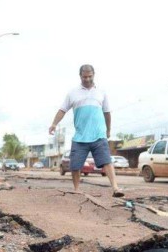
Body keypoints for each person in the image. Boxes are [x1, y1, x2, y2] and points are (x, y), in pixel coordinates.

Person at [49, 64, 124, 197]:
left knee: (106, 161)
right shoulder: (72, 93)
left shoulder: (101, 91)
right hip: (80, 137)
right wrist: (54, 124)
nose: (87, 79)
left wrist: (108, 130)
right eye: (85, 77)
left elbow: (107, 112)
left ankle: (116, 188)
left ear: (93, 75)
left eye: (90, 76)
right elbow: (62, 110)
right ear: (80, 76)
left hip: (98, 134)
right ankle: (77, 190)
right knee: (75, 165)